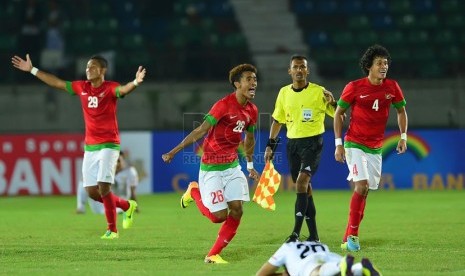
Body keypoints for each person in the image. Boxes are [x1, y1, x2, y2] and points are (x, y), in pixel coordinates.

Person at [11, 54, 146, 239]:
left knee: (104, 187)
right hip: (90, 147)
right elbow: (57, 83)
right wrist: (32, 70)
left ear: (102, 71)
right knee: (92, 192)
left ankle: (112, 230)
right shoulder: (81, 87)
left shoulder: (110, 87)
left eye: (92, 67)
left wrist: (136, 82)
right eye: (87, 67)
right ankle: (126, 205)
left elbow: (123, 91)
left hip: (109, 144)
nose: (88, 69)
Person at [162, 64, 260, 264]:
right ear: (237, 84)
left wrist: (249, 166)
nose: (253, 83)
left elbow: (249, 139)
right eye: (249, 79)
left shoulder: (252, 110)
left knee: (237, 209)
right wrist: (174, 151)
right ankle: (194, 191)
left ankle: (213, 254)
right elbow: (201, 131)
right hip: (211, 168)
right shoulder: (223, 105)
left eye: (255, 79)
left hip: (232, 167)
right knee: (218, 216)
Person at [334, 44, 408, 251]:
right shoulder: (354, 87)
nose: (384, 66)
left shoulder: (392, 87)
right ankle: (354, 236)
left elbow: (401, 111)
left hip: (376, 147)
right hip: (354, 142)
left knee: (365, 191)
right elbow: (339, 113)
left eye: (386, 63)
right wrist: (338, 144)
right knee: (362, 185)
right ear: (369, 66)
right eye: (379, 63)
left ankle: (347, 235)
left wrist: (403, 137)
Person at [264, 54, 336, 243]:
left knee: (302, 182)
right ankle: (314, 236)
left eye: (302, 67)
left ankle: (295, 233)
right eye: (295, 67)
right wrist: (270, 146)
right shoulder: (283, 93)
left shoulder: (319, 91)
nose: (299, 70)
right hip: (292, 144)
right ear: (290, 71)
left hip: (313, 143)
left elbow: (339, 115)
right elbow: (277, 120)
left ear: (307, 70)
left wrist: (334, 103)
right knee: (305, 189)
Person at [256, 240, 382, 276]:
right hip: (331, 257)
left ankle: (341, 265)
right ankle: (360, 267)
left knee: (315, 273)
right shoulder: (318, 244)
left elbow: (261, 275)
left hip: (311, 265)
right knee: (345, 272)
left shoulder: (287, 248)